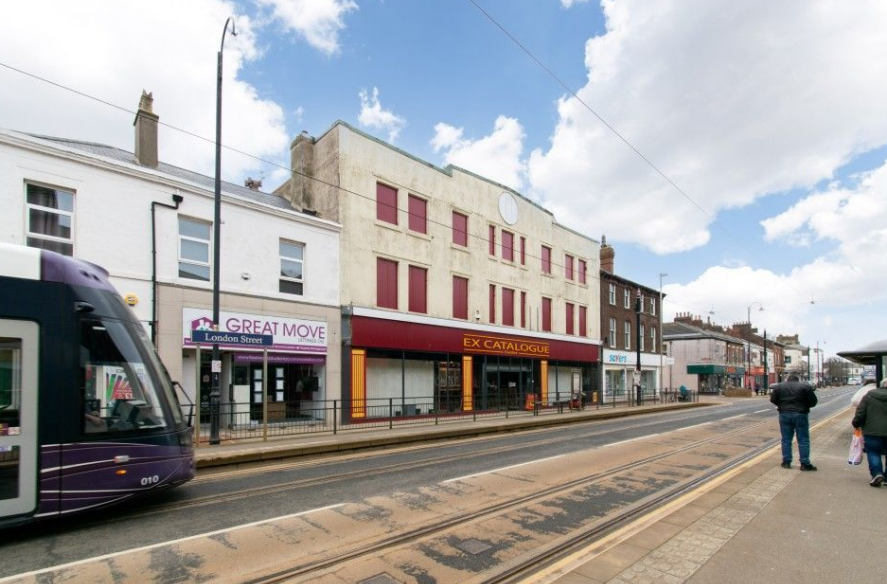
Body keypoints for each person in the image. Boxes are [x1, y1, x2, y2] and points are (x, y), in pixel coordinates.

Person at [769, 374, 818, 470]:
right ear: (798, 379)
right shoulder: (805, 387)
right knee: (803, 439)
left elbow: (773, 399)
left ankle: (786, 462)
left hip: (784, 414)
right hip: (801, 414)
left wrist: (782, 405)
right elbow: (813, 401)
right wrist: (805, 406)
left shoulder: (779, 387)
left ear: (787, 379)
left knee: (786, 439)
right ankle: (804, 463)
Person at [852, 378, 887, 487]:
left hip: (872, 431)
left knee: (873, 452)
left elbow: (860, 412)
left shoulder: (869, 395)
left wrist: (856, 424)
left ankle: (877, 474)